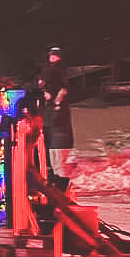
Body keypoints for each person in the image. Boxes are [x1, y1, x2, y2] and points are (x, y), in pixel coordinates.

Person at [37, 45, 74, 180]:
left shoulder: (61, 69)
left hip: (58, 115)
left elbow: (64, 87)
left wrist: (57, 100)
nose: (52, 57)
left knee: (59, 145)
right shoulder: (46, 69)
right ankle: (52, 171)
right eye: (51, 55)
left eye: (55, 55)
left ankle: (62, 173)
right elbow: (41, 83)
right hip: (48, 113)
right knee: (50, 144)